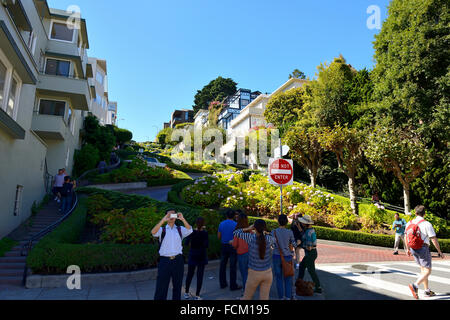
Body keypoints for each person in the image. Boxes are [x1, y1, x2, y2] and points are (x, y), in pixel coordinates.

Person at [405, 205, 445, 299]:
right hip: (423, 248)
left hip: (413, 248)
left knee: (423, 270)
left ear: (415, 213)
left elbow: (406, 236)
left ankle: (427, 291)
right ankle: (415, 285)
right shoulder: (427, 224)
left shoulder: (409, 223)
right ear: (425, 214)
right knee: (428, 271)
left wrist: (407, 249)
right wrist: (439, 251)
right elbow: (433, 239)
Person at [152, 209, 193, 301]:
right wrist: (162, 220)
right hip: (164, 261)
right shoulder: (162, 230)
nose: (171, 217)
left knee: (177, 286)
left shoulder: (179, 229)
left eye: (173, 215)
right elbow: (153, 232)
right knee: (161, 286)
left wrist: (182, 219)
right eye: (169, 215)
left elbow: (190, 230)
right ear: (166, 216)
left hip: (178, 260)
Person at [233, 219, 275, 300]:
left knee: (247, 298)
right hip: (268, 273)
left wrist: (248, 228)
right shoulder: (270, 239)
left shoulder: (250, 237)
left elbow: (235, 233)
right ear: (264, 228)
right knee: (264, 298)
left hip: (254, 273)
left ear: (254, 228)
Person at [272, 214, 297, 300]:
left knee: (278, 278)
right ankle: (288, 296)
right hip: (287, 257)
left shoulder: (274, 232)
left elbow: (272, 244)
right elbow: (294, 244)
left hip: (276, 256)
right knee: (288, 277)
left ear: (278, 222)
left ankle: (281, 297)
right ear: (286, 222)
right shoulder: (290, 232)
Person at [184, 217, 209, 300]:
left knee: (190, 274)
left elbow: (186, 243)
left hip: (193, 254)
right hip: (201, 255)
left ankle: (186, 293)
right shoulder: (205, 233)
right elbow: (206, 245)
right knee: (200, 276)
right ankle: (197, 295)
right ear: (203, 224)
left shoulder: (191, 232)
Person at [297, 215, 323, 294]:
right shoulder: (310, 230)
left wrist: (300, 245)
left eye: (302, 222)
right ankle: (299, 283)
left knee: (311, 270)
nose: (301, 223)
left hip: (310, 253)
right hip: (312, 253)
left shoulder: (308, 232)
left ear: (305, 223)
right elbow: (305, 236)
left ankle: (318, 288)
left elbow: (309, 247)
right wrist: (300, 229)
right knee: (303, 267)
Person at [218, 209, 241, 291]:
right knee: (233, 266)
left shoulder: (221, 223)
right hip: (233, 246)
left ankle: (223, 283)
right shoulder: (236, 224)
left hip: (224, 245)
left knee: (222, 265)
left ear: (226, 215)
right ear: (234, 216)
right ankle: (233, 285)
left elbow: (219, 236)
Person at [232, 213, 250, 292]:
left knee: (244, 274)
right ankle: (250, 290)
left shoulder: (237, 232)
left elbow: (235, 245)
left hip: (241, 254)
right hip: (250, 254)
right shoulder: (250, 231)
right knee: (250, 274)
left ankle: (246, 292)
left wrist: (231, 242)